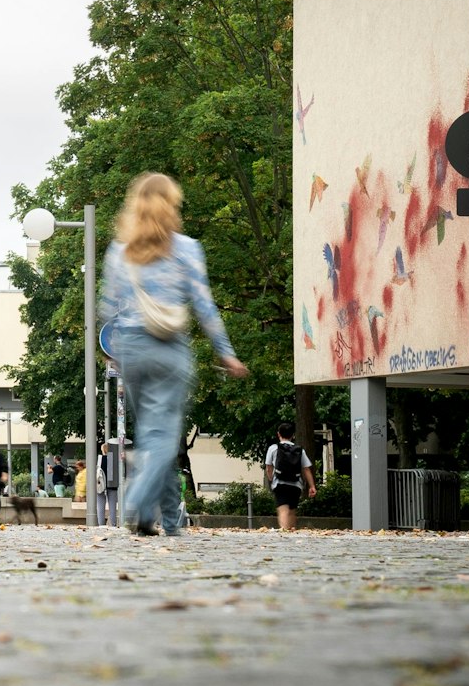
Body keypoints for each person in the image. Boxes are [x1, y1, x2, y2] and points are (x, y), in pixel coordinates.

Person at [102, 173, 247, 536]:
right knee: (163, 436)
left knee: (153, 435)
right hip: (169, 349)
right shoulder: (186, 248)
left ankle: (169, 520)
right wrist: (226, 353)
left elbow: (107, 308)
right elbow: (205, 306)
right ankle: (136, 502)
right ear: (172, 205)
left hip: (132, 350)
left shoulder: (120, 251)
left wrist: (114, 354)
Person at [264, 421, 317, 530]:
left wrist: (271, 480)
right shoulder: (299, 450)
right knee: (292, 510)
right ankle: (292, 532)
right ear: (293, 435)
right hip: (296, 484)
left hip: (279, 483)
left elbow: (269, 468)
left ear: (278, 434)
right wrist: (312, 486)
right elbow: (306, 469)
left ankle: (284, 533)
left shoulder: (273, 448)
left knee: (283, 509)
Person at [98, 440, 121, 526]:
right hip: (113, 484)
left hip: (100, 484)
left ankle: (101, 524)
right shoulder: (114, 460)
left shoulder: (100, 460)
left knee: (100, 504)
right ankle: (113, 524)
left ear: (103, 450)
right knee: (112, 505)